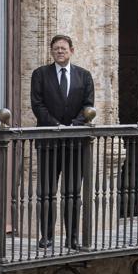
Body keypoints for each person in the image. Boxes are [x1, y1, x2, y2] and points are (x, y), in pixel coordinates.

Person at [30, 35, 95, 250]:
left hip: (75, 145)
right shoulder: (40, 75)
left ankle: (72, 238)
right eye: (56, 48)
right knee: (47, 192)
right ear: (51, 52)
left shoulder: (84, 76)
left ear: (72, 51)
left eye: (63, 48)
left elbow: (88, 107)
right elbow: (37, 105)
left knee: (73, 193)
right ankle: (46, 236)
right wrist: (56, 125)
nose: (60, 51)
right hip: (49, 142)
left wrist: (73, 126)